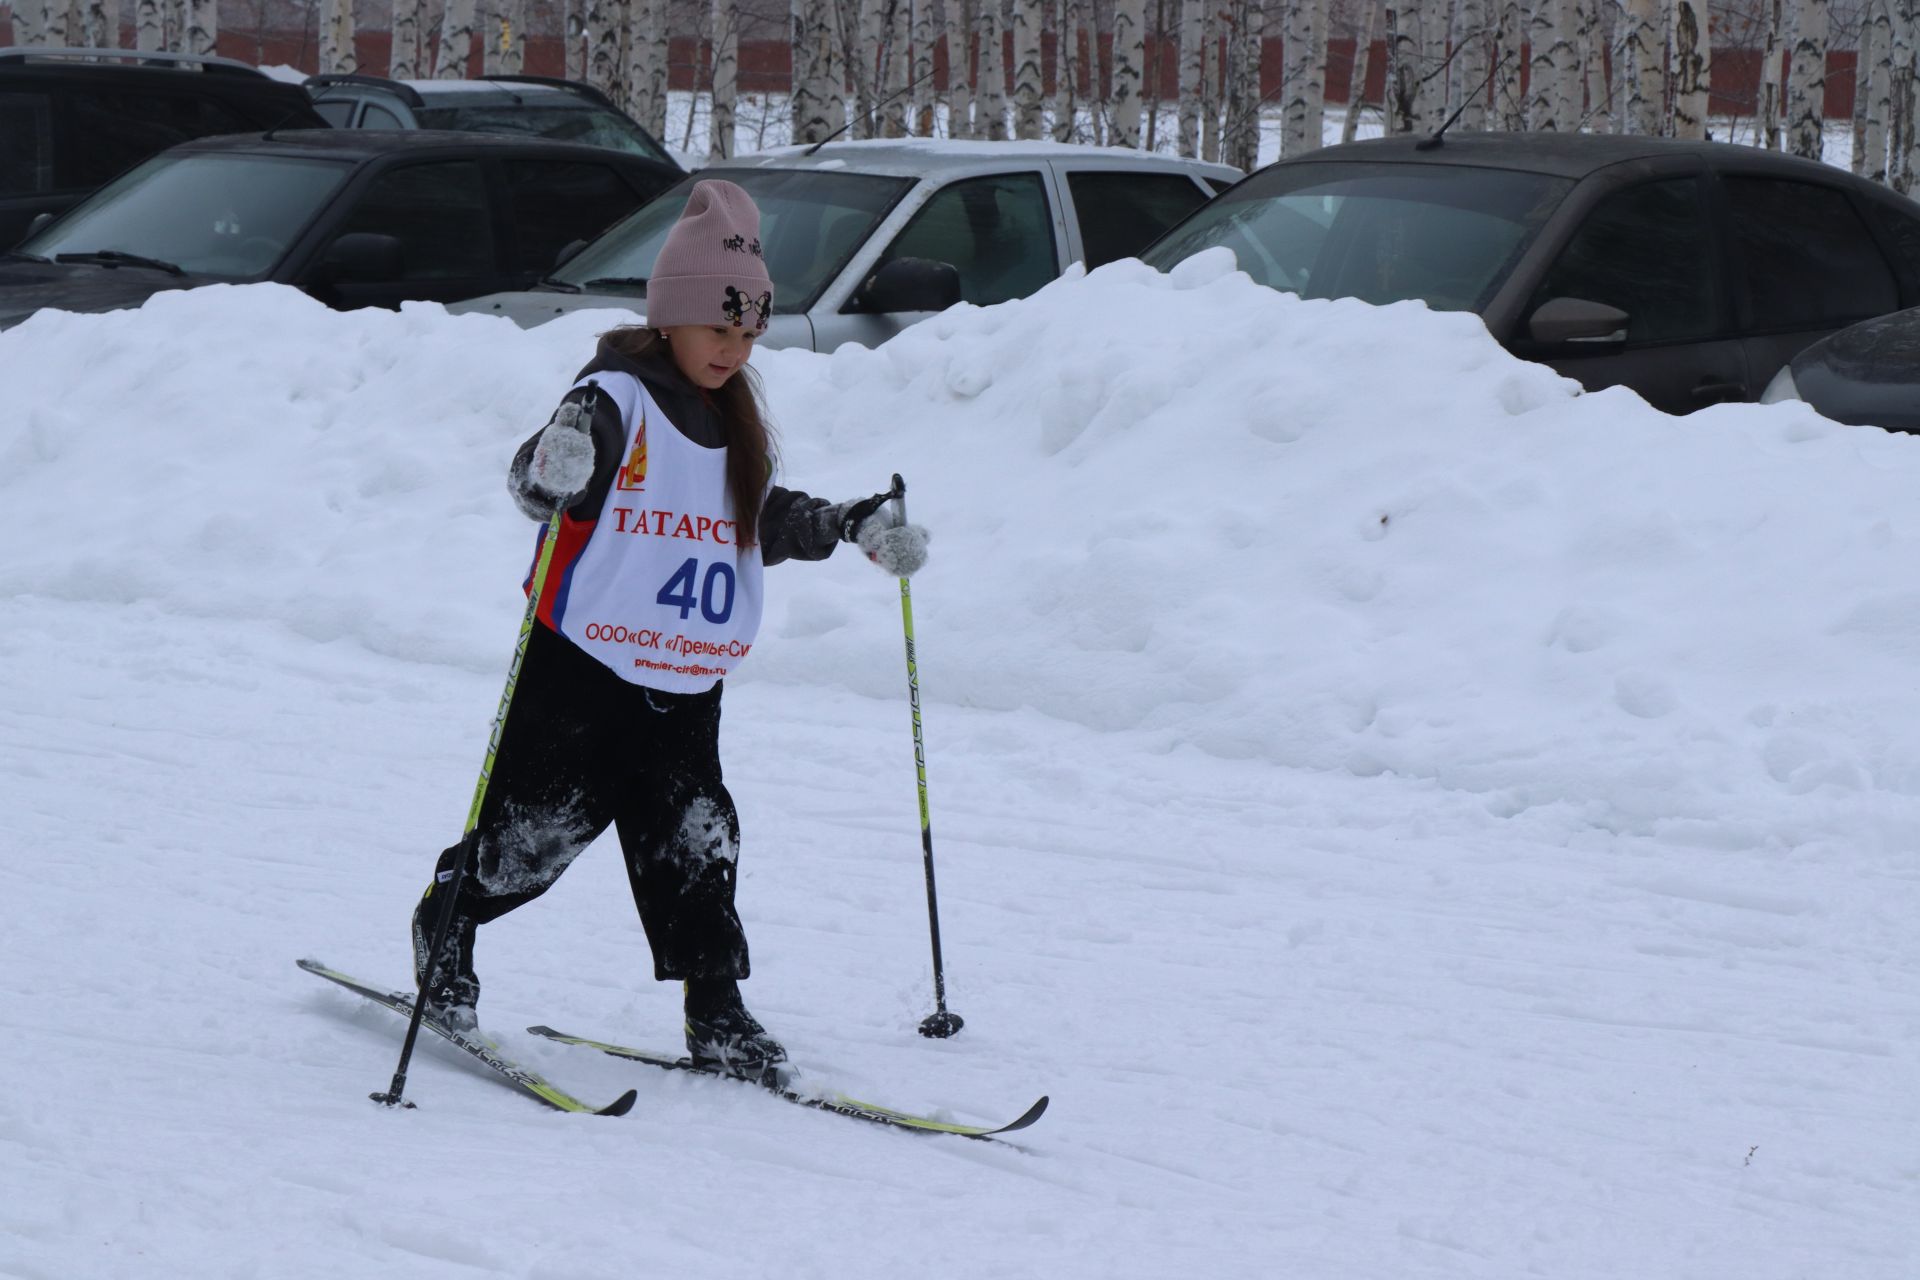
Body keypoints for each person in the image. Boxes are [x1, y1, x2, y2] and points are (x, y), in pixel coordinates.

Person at [409, 179, 929, 1081]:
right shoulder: (614, 396)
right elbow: (541, 480)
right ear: (670, 320)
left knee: (697, 838)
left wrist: (850, 525)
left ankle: (716, 1009)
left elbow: (757, 515)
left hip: (686, 670)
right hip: (585, 658)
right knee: (538, 833)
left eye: (749, 332)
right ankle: (445, 933)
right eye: (718, 329)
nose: (734, 349)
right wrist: (551, 470)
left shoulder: (730, 419)